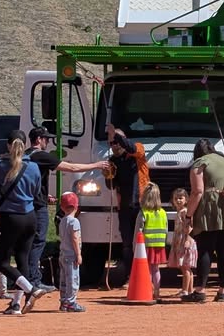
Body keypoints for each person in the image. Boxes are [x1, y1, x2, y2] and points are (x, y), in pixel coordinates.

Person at [24, 126, 109, 292]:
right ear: (39, 139)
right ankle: (34, 280)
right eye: (46, 139)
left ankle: (25, 278)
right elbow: (72, 168)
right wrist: (96, 165)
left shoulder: (26, 155)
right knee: (38, 242)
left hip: (27, 203)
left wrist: (44, 195)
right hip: (37, 207)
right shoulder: (41, 156)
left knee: (27, 242)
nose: (47, 142)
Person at [0, 129, 48, 315]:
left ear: (8, 145)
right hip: (30, 216)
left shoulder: (2, 165)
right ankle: (16, 304)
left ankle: (31, 290)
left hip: (10, 217)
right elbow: (36, 190)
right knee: (23, 260)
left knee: (2, 262)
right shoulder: (33, 166)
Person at [185, 139, 224, 303]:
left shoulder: (200, 163)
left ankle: (200, 290)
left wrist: (188, 215)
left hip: (210, 208)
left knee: (205, 249)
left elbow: (197, 192)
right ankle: (223, 290)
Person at [104, 124, 150, 288]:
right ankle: (130, 276)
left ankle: (146, 276)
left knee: (142, 242)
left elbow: (131, 147)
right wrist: (108, 175)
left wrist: (116, 135)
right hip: (124, 207)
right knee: (126, 244)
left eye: (117, 142)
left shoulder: (137, 151)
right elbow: (111, 185)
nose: (114, 146)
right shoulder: (113, 161)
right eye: (111, 143)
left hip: (142, 205)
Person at [136, 182, 168, 303]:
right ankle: (157, 293)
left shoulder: (143, 212)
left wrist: (135, 246)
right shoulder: (163, 212)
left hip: (146, 245)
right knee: (156, 269)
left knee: (147, 269)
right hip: (159, 245)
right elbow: (166, 229)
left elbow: (138, 231)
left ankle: (148, 291)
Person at [57, 192, 85, 312]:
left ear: (62, 207)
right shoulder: (74, 221)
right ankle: (71, 303)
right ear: (76, 206)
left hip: (63, 254)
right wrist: (78, 254)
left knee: (64, 280)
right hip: (71, 255)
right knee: (73, 280)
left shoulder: (62, 221)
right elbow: (75, 238)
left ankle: (64, 301)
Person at [168, 188, 198, 298]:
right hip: (180, 241)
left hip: (185, 242)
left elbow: (190, 226)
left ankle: (185, 290)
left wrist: (187, 240)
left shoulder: (185, 212)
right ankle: (190, 290)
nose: (178, 200)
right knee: (186, 268)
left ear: (186, 199)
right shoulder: (180, 212)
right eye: (176, 198)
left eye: (181, 198)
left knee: (185, 267)